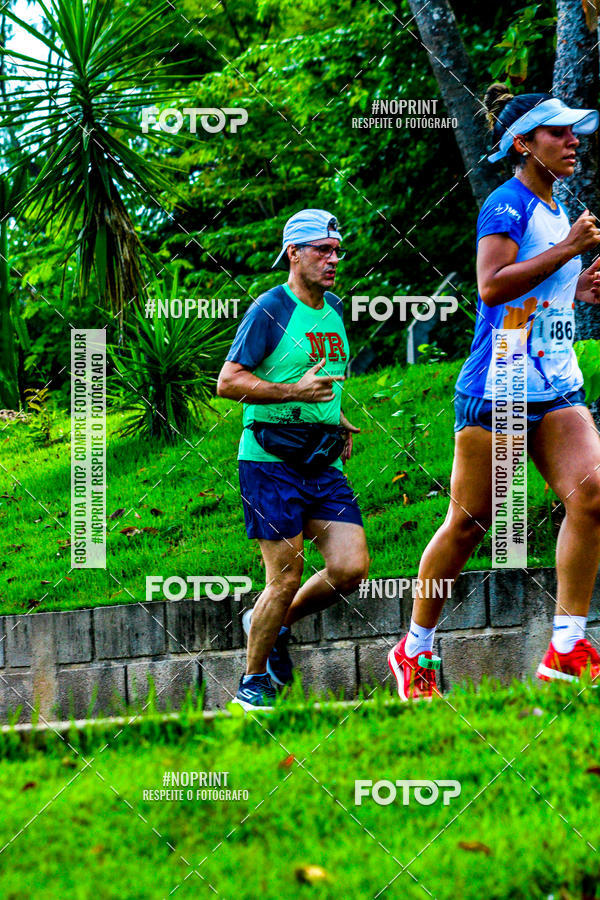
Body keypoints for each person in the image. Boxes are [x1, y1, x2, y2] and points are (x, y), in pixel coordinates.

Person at [388, 84, 600, 700]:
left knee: (592, 496)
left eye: (573, 132)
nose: (572, 142)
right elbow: (490, 287)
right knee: (471, 522)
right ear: (522, 144)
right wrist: (568, 250)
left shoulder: (557, 206)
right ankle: (415, 648)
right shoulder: (507, 206)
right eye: (558, 133)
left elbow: (536, 292)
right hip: (501, 384)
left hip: (556, 382)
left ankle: (565, 646)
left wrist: (577, 287)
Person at [217, 209, 370, 710]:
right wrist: (291, 392)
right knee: (282, 577)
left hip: (321, 462)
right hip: (269, 462)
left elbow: (324, 376)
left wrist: (335, 418)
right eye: (322, 250)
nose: (333, 259)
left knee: (350, 568)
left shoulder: (334, 309)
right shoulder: (269, 310)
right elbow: (229, 382)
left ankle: (273, 623)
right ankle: (252, 683)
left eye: (337, 250)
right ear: (294, 253)